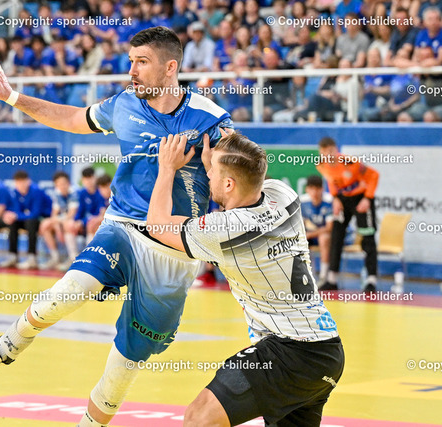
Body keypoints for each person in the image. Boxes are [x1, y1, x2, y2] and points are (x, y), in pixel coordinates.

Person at [0, 26, 233, 427]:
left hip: (174, 246)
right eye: (131, 61)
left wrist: (218, 185)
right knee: (66, 292)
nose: (131, 70)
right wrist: (11, 96)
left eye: (142, 62)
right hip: (122, 225)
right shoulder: (123, 104)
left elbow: (236, 177)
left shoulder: (210, 119)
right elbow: (71, 117)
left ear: (170, 68)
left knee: (125, 364)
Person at [146, 132, 344, 427]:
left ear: (229, 184)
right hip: (326, 350)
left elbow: (157, 225)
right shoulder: (284, 195)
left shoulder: (224, 231)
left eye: (212, 171)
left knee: (198, 417)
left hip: (290, 352)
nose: (208, 174)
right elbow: (248, 180)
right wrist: (223, 159)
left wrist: (167, 167)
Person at [316, 137, 380, 292]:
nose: (328, 155)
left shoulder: (350, 163)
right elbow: (331, 181)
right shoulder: (321, 165)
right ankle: (332, 279)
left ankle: (371, 280)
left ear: (336, 150)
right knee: (336, 235)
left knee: (367, 236)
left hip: (361, 198)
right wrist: (335, 198)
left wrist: (367, 198)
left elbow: (374, 175)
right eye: (324, 152)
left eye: (331, 151)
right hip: (343, 200)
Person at [0, 170, 51, 269]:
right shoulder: (15, 192)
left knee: (31, 222)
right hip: (26, 219)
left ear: (28, 181)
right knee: (13, 223)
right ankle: (13, 256)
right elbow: (16, 211)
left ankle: (32, 257)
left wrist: (17, 215)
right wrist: (12, 216)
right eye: (18, 182)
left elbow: (35, 213)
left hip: (42, 219)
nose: (21, 185)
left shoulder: (36, 191)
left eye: (23, 182)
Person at [64, 168, 108, 266]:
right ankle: (73, 258)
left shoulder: (100, 192)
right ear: (82, 180)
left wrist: (83, 222)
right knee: (69, 225)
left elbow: (99, 214)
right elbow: (80, 210)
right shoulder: (82, 193)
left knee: (91, 224)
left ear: (94, 178)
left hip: (94, 223)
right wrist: (76, 221)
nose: (88, 181)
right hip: (84, 223)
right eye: (86, 179)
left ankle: (90, 260)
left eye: (90, 178)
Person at [39, 171, 80, 270]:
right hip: (62, 220)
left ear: (68, 183)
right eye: (59, 184)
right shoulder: (56, 193)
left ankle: (73, 258)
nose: (62, 186)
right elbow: (54, 214)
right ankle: (55, 257)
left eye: (64, 183)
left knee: (68, 224)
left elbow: (72, 214)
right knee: (45, 224)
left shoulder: (74, 192)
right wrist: (57, 228)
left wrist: (59, 222)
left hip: (76, 221)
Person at [301, 175, 334, 283]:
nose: (314, 192)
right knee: (300, 240)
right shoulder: (303, 201)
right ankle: (306, 276)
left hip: (328, 236)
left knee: (324, 238)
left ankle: (324, 277)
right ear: (307, 189)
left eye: (317, 189)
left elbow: (329, 227)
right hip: (310, 235)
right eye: (311, 188)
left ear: (322, 189)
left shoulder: (329, 200)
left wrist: (310, 234)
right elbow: (300, 225)